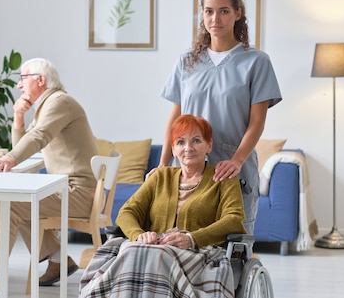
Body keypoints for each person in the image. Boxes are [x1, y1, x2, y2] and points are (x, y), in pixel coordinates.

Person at [0, 58, 98, 296]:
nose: (19, 86)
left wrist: (9, 158)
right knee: (21, 200)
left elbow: (37, 137)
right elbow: (25, 147)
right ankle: (59, 259)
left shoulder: (60, 102)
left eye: (22, 78)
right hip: (69, 189)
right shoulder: (49, 104)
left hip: (79, 193)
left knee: (12, 204)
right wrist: (18, 118)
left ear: (40, 80)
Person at [154, 0, 281, 234]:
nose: (216, 18)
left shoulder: (256, 62)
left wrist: (237, 160)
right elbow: (175, 119)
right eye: (209, 11)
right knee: (184, 243)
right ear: (202, 15)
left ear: (237, 13)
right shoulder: (186, 62)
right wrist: (163, 165)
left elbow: (257, 122)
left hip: (233, 171)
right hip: (189, 172)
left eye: (224, 11)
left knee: (231, 248)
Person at [79, 115, 246, 297]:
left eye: (196, 141)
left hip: (198, 253)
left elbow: (233, 219)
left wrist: (192, 238)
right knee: (132, 249)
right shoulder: (160, 177)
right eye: (181, 142)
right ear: (173, 149)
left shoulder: (224, 178)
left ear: (209, 145)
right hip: (152, 248)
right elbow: (127, 212)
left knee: (157, 256)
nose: (188, 148)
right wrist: (139, 235)